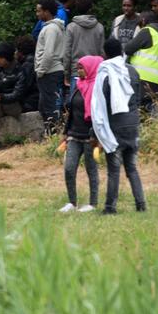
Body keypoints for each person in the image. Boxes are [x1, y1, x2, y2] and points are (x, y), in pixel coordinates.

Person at [91, 38, 146, 214]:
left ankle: (110, 207)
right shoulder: (132, 71)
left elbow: (101, 104)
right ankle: (141, 205)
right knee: (132, 168)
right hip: (133, 123)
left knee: (113, 170)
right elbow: (138, 98)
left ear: (104, 53)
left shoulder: (105, 72)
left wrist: (97, 131)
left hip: (115, 126)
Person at [59, 55, 103, 213]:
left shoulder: (97, 89)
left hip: (90, 138)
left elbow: (100, 116)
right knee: (69, 168)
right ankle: (72, 202)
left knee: (92, 170)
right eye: (77, 67)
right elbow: (71, 111)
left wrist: (98, 138)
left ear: (91, 68)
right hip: (74, 135)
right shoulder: (78, 85)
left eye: (81, 67)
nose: (78, 70)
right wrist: (65, 133)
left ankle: (93, 203)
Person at [125, 11, 158, 114]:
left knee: (139, 112)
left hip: (143, 79)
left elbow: (128, 49)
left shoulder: (148, 31)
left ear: (143, 21)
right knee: (148, 113)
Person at [63, 0, 105, 98]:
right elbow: (102, 52)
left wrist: (66, 73)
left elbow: (67, 52)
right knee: (93, 103)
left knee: (75, 102)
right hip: (94, 72)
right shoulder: (99, 27)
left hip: (77, 70)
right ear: (90, 9)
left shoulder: (71, 27)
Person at [34, 0, 65, 125]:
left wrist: (41, 70)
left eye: (39, 11)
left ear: (47, 12)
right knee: (45, 105)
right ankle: (50, 132)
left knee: (50, 106)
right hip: (49, 71)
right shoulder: (50, 28)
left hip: (49, 72)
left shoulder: (51, 29)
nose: (37, 14)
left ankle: (53, 133)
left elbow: (48, 52)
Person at [15, 35, 39, 112]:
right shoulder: (35, 60)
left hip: (29, 102)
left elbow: (25, 86)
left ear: (20, 52)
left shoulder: (27, 65)